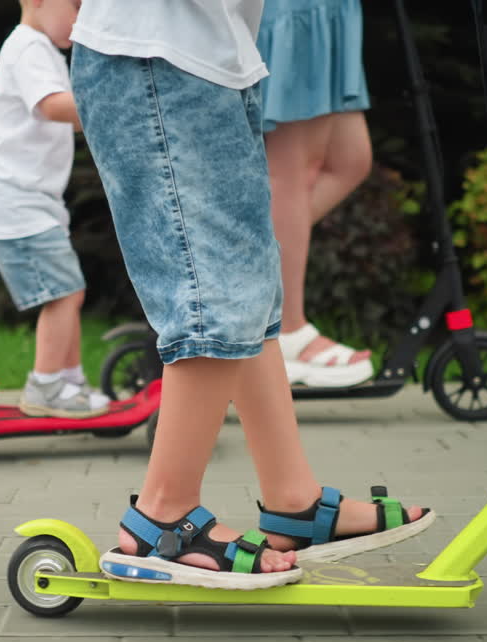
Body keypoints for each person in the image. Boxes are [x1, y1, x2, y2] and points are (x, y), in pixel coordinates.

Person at [70, 0, 433, 590]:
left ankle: (294, 501)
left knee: (253, 289)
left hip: (214, 59)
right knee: (213, 297)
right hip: (158, 58)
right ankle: (162, 516)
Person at [0, 0, 110, 419]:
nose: (82, 17)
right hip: (15, 203)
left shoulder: (41, 49)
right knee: (64, 294)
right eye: (76, 5)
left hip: (32, 203)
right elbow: (53, 106)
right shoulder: (28, 47)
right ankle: (45, 386)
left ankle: (69, 382)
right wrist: (112, 107)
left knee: (69, 292)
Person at [258, 0, 377, 388]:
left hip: (328, 11)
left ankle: (232, 262)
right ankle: (286, 331)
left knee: (350, 161)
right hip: (294, 11)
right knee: (293, 173)